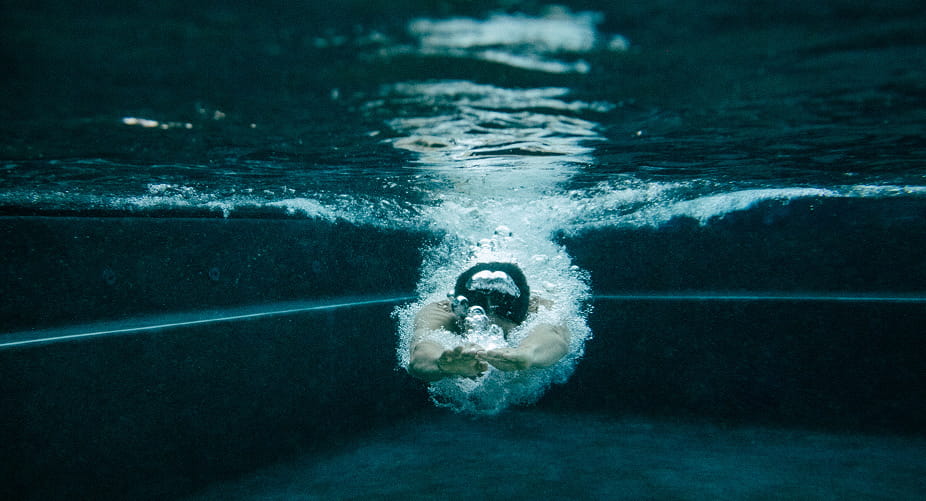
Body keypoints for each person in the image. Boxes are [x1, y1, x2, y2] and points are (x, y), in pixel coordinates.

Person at [407, 262, 570, 382]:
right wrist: (442, 363)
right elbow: (422, 349)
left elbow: (553, 337)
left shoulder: (538, 308)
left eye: (500, 327)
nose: (488, 332)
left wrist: (527, 352)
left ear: (521, 317)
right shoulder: (442, 312)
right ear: (460, 313)